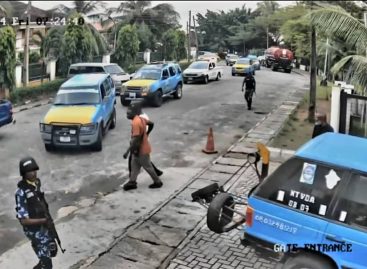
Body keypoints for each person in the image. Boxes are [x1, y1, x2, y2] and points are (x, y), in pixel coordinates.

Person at [15, 157, 54, 269]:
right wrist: (44, 220)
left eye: (34, 170)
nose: (33, 173)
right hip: (35, 232)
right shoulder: (21, 192)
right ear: (24, 173)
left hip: (44, 227)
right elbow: (24, 220)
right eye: (30, 171)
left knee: (51, 253)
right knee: (47, 264)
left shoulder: (36, 184)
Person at [123, 102, 163, 191]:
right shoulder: (140, 119)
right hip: (138, 149)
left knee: (148, 167)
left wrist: (127, 152)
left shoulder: (136, 123)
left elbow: (135, 140)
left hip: (141, 150)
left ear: (135, 112)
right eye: (127, 111)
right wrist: (147, 134)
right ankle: (132, 182)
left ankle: (157, 182)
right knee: (134, 165)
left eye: (129, 112)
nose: (127, 113)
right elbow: (151, 124)